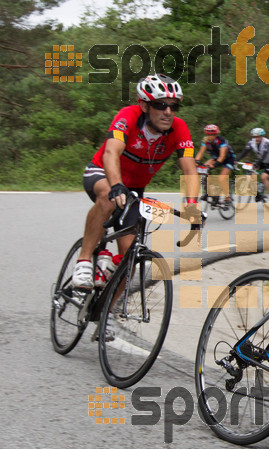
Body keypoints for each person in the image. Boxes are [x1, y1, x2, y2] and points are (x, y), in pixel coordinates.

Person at [72, 73, 199, 290]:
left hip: (135, 188)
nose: (168, 112)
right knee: (108, 198)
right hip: (102, 173)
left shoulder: (179, 128)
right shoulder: (127, 116)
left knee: (130, 256)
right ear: (144, 105)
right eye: (160, 105)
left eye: (173, 106)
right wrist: (116, 185)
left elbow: (189, 169)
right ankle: (83, 262)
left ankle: (106, 316)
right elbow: (111, 152)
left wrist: (192, 203)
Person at [194, 124, 236, 203]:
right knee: (203, 170)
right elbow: (200, 153)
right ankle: (209, 191)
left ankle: (227, 198)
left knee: (222, 178)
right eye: (208, 134)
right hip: (216, 158)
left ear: (216, 134)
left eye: (212, 134)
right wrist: (196, 163)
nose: (210, 136)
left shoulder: (221, 141)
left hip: (228, 159)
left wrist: (214, 165)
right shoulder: (205, 141)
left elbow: (222, 156)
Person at [239, 127, 269, 201]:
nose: (257, 139)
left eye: (258, 137)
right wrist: (236, 160)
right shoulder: (251, 142)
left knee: (263, 177)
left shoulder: (266, 142)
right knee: (252, 172)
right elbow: (244, 152)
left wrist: (257, 163)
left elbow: (264, 154)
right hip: (263, 161)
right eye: (255, 137)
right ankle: (258, 192)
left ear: (262, 136)